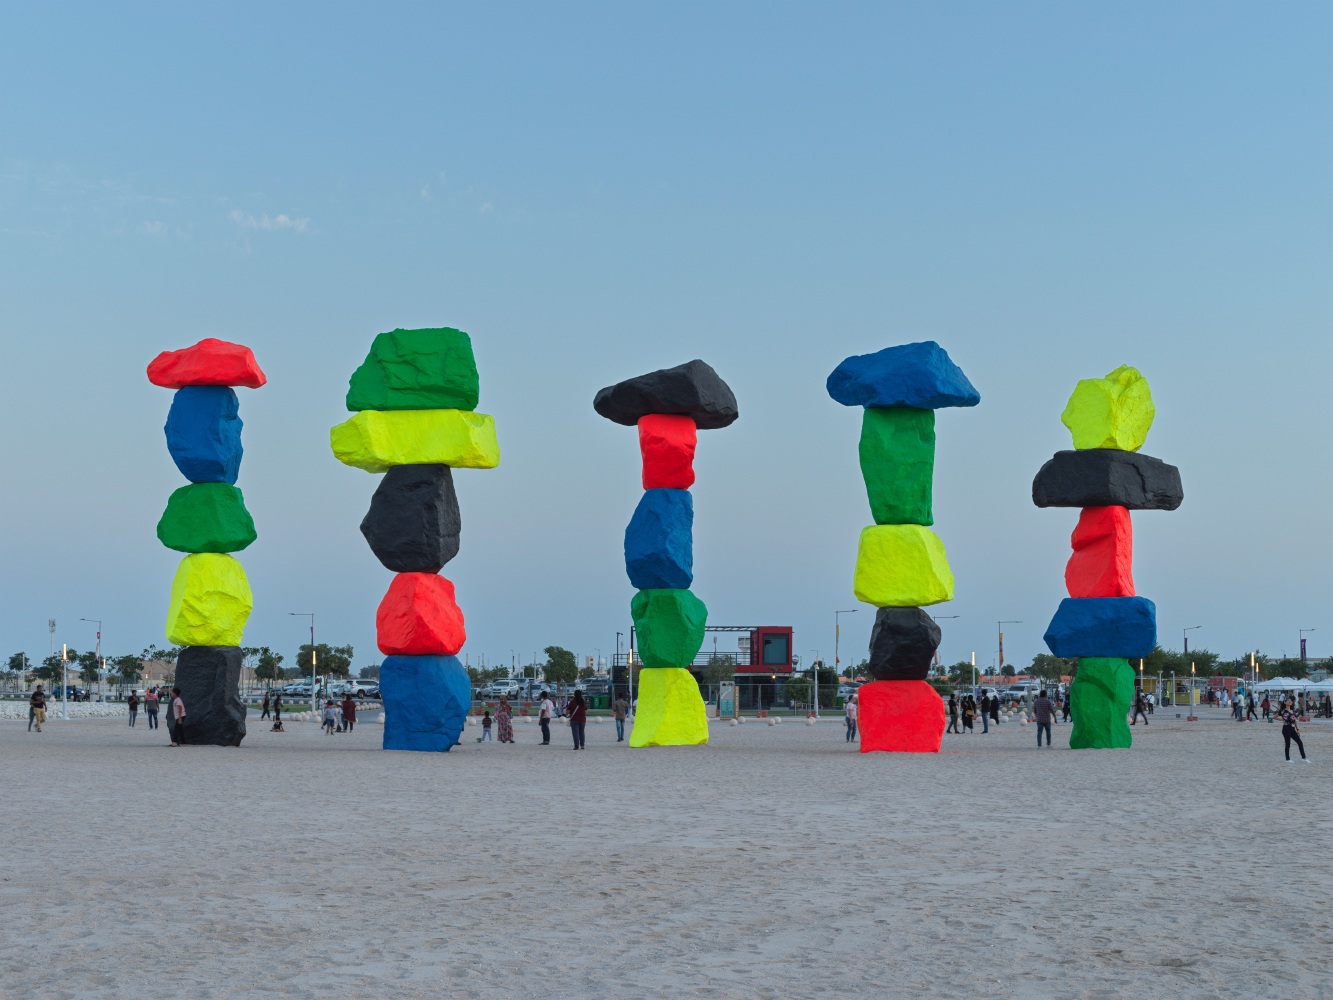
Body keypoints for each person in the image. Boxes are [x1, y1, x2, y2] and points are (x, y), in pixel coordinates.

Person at [1279, 697, 1309, 763]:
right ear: (1285, 702)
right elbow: (1274, 717)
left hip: (1292, 729)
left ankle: (1304, 758)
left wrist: (1297, 729)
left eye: (1290, 701)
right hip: (1286, 728)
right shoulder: (1283, 711)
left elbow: (1295, 720)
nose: (1290, 701)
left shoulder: (1293, 711)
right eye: (1288, 700)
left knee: (1300, 742)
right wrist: (1282, 719)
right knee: (1288, 744)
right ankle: (1287, 759)